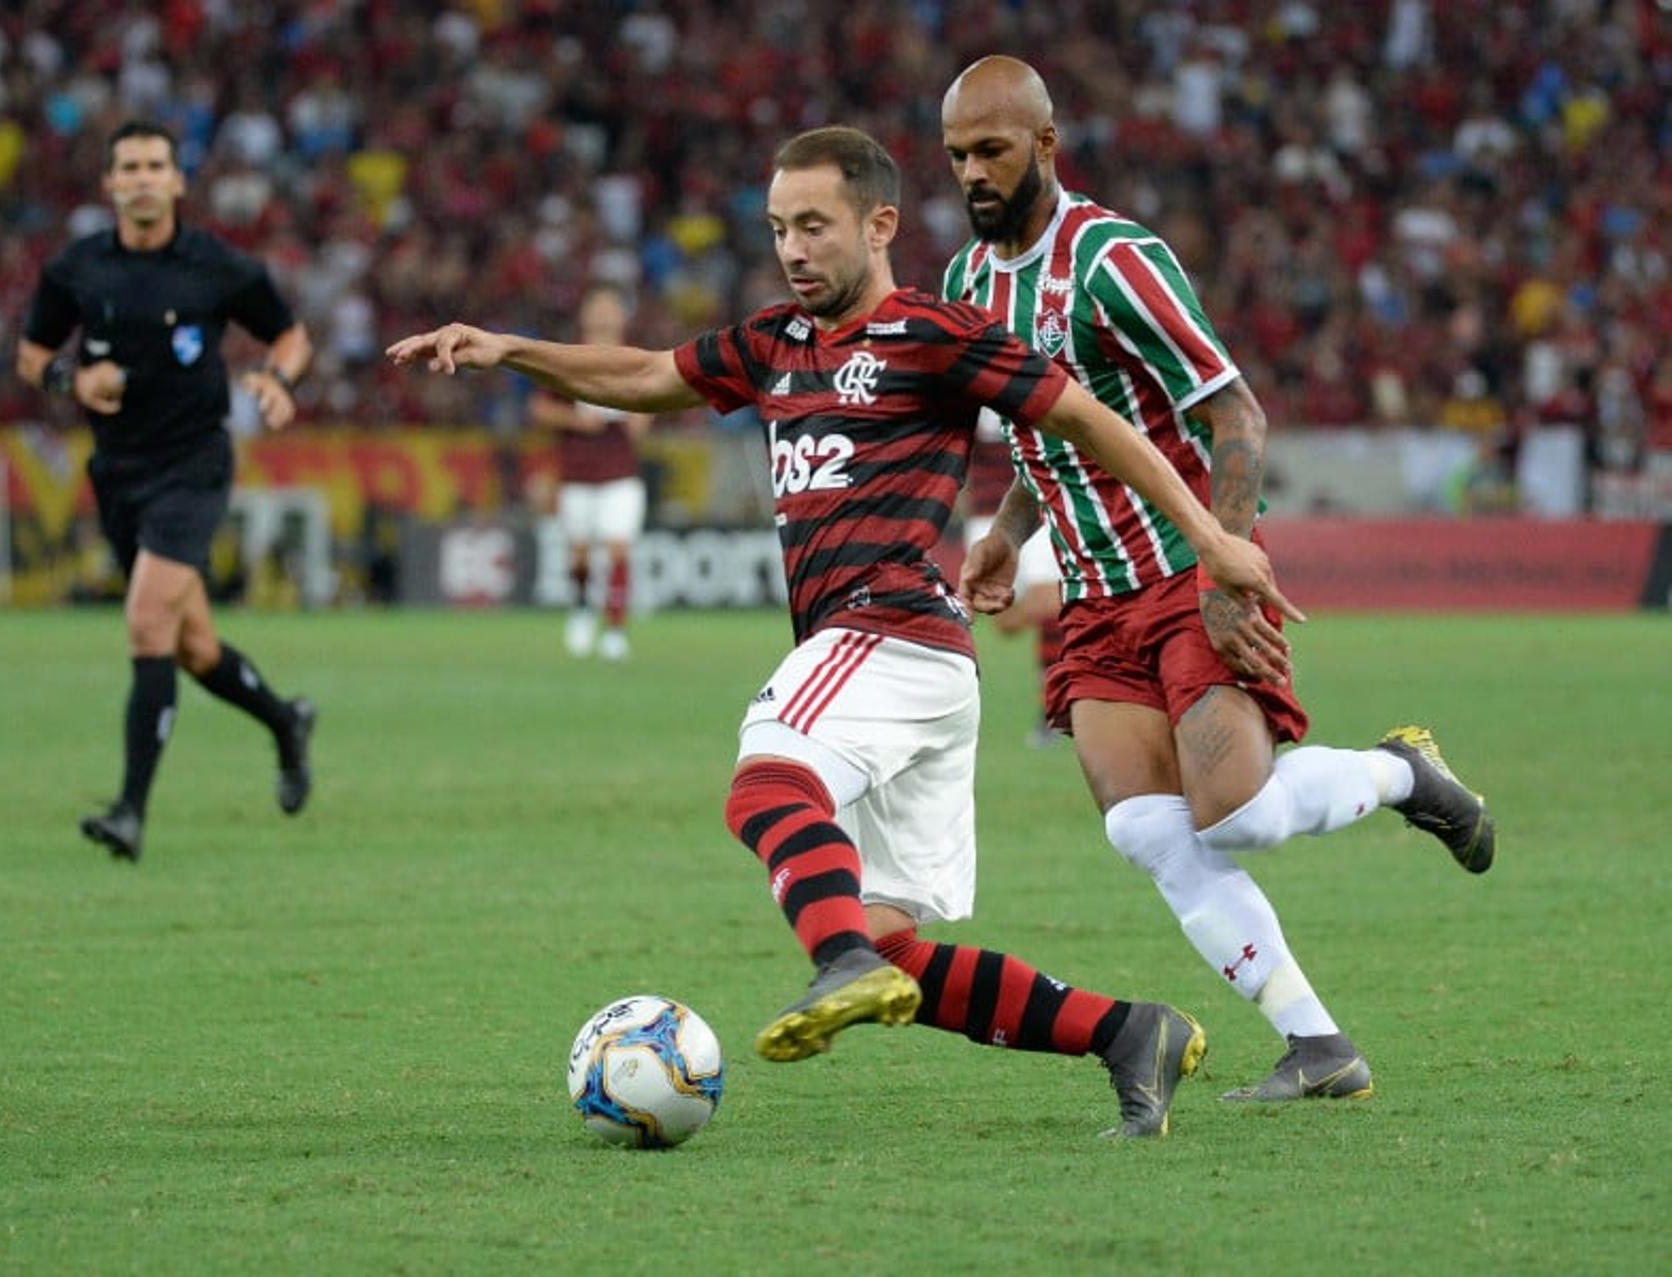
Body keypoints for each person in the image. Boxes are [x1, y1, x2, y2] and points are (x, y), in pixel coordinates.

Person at [392, 126, 1306, 1138]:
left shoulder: (934, 331)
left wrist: (1214, 539)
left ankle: (837, 963)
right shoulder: (774, 344)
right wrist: (509, 348)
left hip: (893, 629)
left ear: (879, 225)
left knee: (766, 778)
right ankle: (1131, 1032)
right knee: (894, 942)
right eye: (780, 227)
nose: (792, 247)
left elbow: (1089, 418)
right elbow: (647, 376)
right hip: (906, 665)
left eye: (814, 225)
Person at [943, 57, 1496, 1101]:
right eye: (958, 155)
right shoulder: (968, 285)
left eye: (992, 150)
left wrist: (1224, 569)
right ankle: (1318, 1044)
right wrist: (1010, 533)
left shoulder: (1113, 259)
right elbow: (1046, 435)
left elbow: (1235, 412)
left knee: (1234, 813)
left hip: (1184, 571)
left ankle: (1402, 774)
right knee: (1144, 827)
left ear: (1045, 146)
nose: (973, 172)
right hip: (1097, 599)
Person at [16, 120, 318, 864]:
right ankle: (285, 721)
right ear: (111, 184)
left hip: (195, 467)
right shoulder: (76, 269)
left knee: (148, 622)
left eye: (158, 165)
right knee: (193, 645)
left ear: (179, 181)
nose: (145, 177)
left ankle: (128, 812)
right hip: (119, 474)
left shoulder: (217, 265)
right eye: (131, 166)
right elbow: (30, 355)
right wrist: (72, 378)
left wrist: (279, 382)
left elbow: (291, 336)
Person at [528, 284, 653, 661]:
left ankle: (615, 629)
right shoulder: (569, 358)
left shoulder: (633, 358)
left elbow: (651, 401)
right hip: (577, 471)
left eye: (610, 307)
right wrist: (580, 421)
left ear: (621, 315)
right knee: (579, 553)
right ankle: (582, 607)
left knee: (618, 549)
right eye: (597, 306)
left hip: (620, 471)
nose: (603, 314)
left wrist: (639, 419)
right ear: (585, 314)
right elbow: (541, 408)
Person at [962, 412, 1064, 746]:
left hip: (1033, 511)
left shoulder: (1025, 378)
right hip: (983, 517)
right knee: (1003, 621)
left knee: (1048, 602)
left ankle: (1053, 710)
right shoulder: (967, 389)